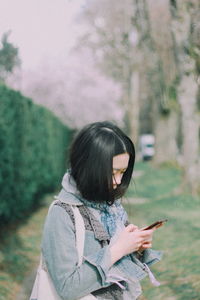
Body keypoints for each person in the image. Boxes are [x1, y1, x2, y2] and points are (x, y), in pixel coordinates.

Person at [39, 121, 162, 300]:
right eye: (112, 172)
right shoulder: (63, 213)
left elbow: (120, 269)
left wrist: (136, 246)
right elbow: (67, 288)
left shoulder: (112, 208)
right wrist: (117, 249)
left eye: (123, 172)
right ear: (89, 167)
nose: (118, 181)